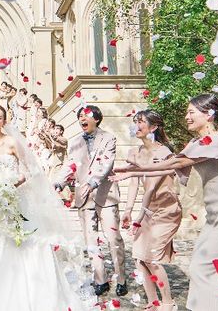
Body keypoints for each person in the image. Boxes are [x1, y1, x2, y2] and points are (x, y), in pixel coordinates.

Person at [112, 94, 218, 311]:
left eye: (191, 112)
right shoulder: (198, 143)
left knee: (202, 266)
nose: (186, 116)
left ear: (209, 114)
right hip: (216, 217)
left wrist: (135, 170)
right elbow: (171, 166)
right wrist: (134, 172)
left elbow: (175, 162)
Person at [0, 105, 92, 310]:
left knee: (19, 245)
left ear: (4, 122)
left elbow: (31, 170)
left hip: (13, 201)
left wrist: (9, 185)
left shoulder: (12, 142)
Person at [59, 105, 127, 298]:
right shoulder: (74, 143)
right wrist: (59, 182)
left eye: (86, 115)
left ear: (96, 118)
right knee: (91, 240)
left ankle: (121, 279)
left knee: (113, 239)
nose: (82, 118)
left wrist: (93, 181)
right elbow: (70, 165)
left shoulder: (109, 138)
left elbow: (106, 162)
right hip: (84, 197)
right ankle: (100, 279)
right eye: (80, 116)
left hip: (106, 195)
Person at [121, 110, 181, 311]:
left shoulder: (163, 153)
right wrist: (128, 210)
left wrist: (139, 216)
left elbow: (152, 187)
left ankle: (168, 303)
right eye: (135, 122)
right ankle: (153, 302)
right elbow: (134, 183)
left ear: (153, 127)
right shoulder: (134, 152)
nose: (136, 126)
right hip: (147, 210)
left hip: (166, 210)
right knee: (139, 258)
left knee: (152, 258)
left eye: (141, 122)